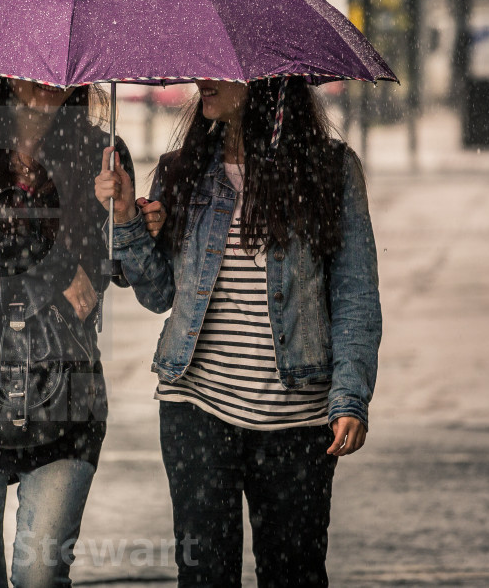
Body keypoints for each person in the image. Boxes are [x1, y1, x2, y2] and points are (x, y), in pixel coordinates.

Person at [93, 76, 381, 586]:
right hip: (196, 410)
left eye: (221, 69)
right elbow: (158, 294)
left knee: (294, 573)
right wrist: (126, 221)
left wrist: (350, 395)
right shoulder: (182, 170)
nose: (203, 79)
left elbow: (355, 293)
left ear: (266, 79)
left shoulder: (330, 171)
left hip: (297, 421)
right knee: (205, 576)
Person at [0, 74, 133, 587]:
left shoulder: (100, 150)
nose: (46, 80)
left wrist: (127, 217)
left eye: (58, 67)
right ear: (3, 67)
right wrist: (53, 262)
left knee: (41, 576)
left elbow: (110, 272)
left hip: (65, 391)